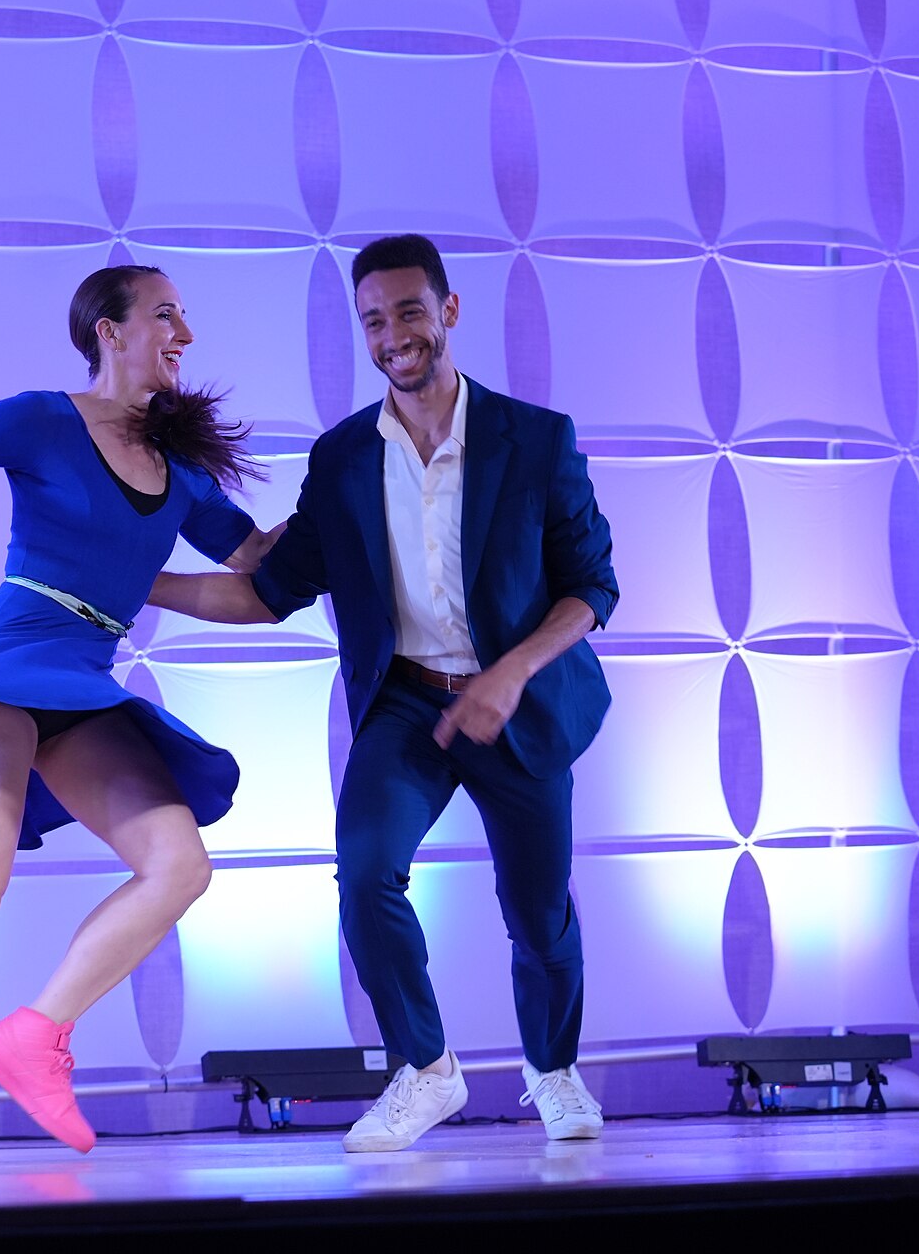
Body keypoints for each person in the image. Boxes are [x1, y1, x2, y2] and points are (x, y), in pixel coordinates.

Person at [148, 235, 619, 1151]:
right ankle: (426, 1068)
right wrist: (140, 585)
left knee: (538, 909)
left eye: (410, 311)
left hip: (519, 700)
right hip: (407, 701)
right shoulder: (343, 459)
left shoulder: (536, 439)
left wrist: (509, 673)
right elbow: (267, 590)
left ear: (448, 312)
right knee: (365, 875)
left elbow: (593, 585)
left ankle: (554, 1071)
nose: (394, 334)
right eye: (374, 320)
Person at [0, 265, 279, 1164]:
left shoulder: (183, 471)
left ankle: (36, 1035)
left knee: (178, 865)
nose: (184, 331)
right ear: (109, 331)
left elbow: (255, 587)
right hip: (3, 666)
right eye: (165, 314)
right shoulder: (43, 418)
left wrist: (335, 520)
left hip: (83, 680)